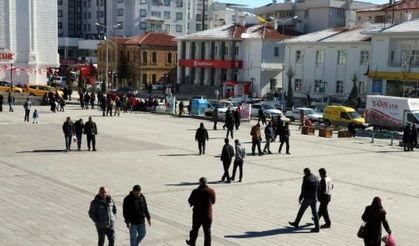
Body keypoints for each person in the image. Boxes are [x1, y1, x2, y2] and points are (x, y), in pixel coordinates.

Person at [186, 177, 216, 246]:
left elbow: (190, 201)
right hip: (208, 215)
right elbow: (213, 201)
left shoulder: (195, 191)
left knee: (195, 229)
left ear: (200, 182)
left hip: (197, 215)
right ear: (206, 183)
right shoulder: (211, 191)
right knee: (207, 232)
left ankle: (192, 242)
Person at [289, 168, 320, 233]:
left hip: (307, 198)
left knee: (301, 211)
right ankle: (317, 227)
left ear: (305, 172)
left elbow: (303, 189)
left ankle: (296, 223)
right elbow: (319, 188)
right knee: (314, 213)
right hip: (314, 198)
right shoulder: (316, 177)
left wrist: (300, 198)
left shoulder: (306, 178)